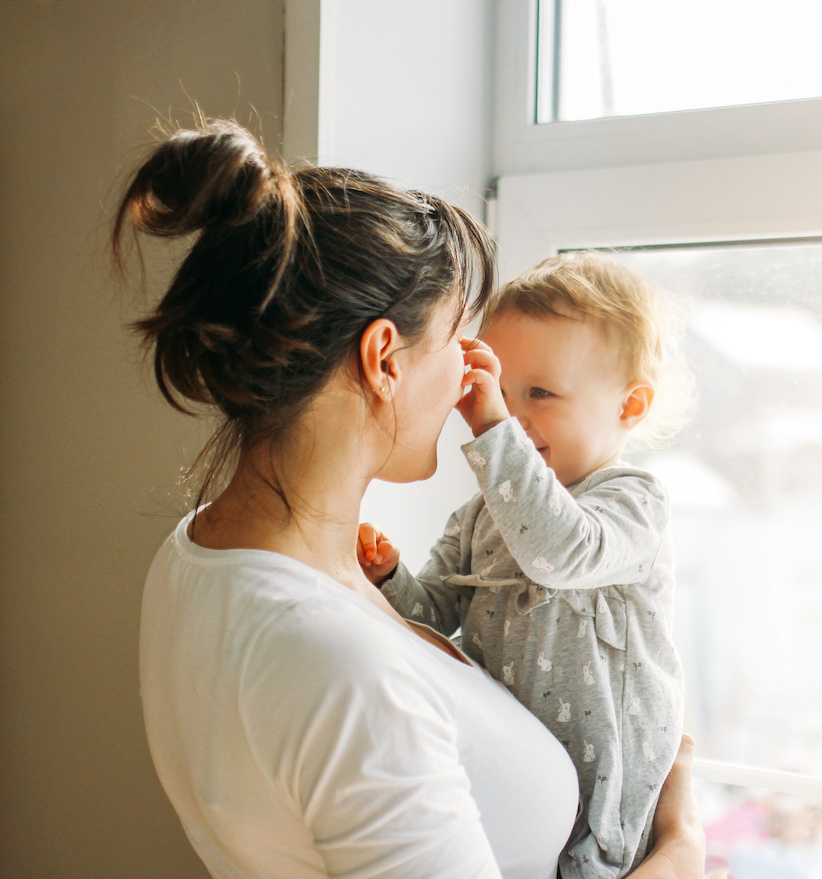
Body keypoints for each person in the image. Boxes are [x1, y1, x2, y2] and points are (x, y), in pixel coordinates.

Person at [117, 118, 705, 879]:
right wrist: (682, 855)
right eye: (462, 339)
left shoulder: (195, 550)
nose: (476, 376)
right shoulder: (338, 666)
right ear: (384, 360)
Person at [358, 254, 693, 879]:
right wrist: (389, 578)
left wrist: (490, 425)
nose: (511, 415)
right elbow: (434, 616)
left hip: (608, 797)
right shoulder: (484, 512)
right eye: (499, 391)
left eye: (539, 393)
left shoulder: (632, 501)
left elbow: (560, 550)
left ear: (630, 407)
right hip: (519, 781)